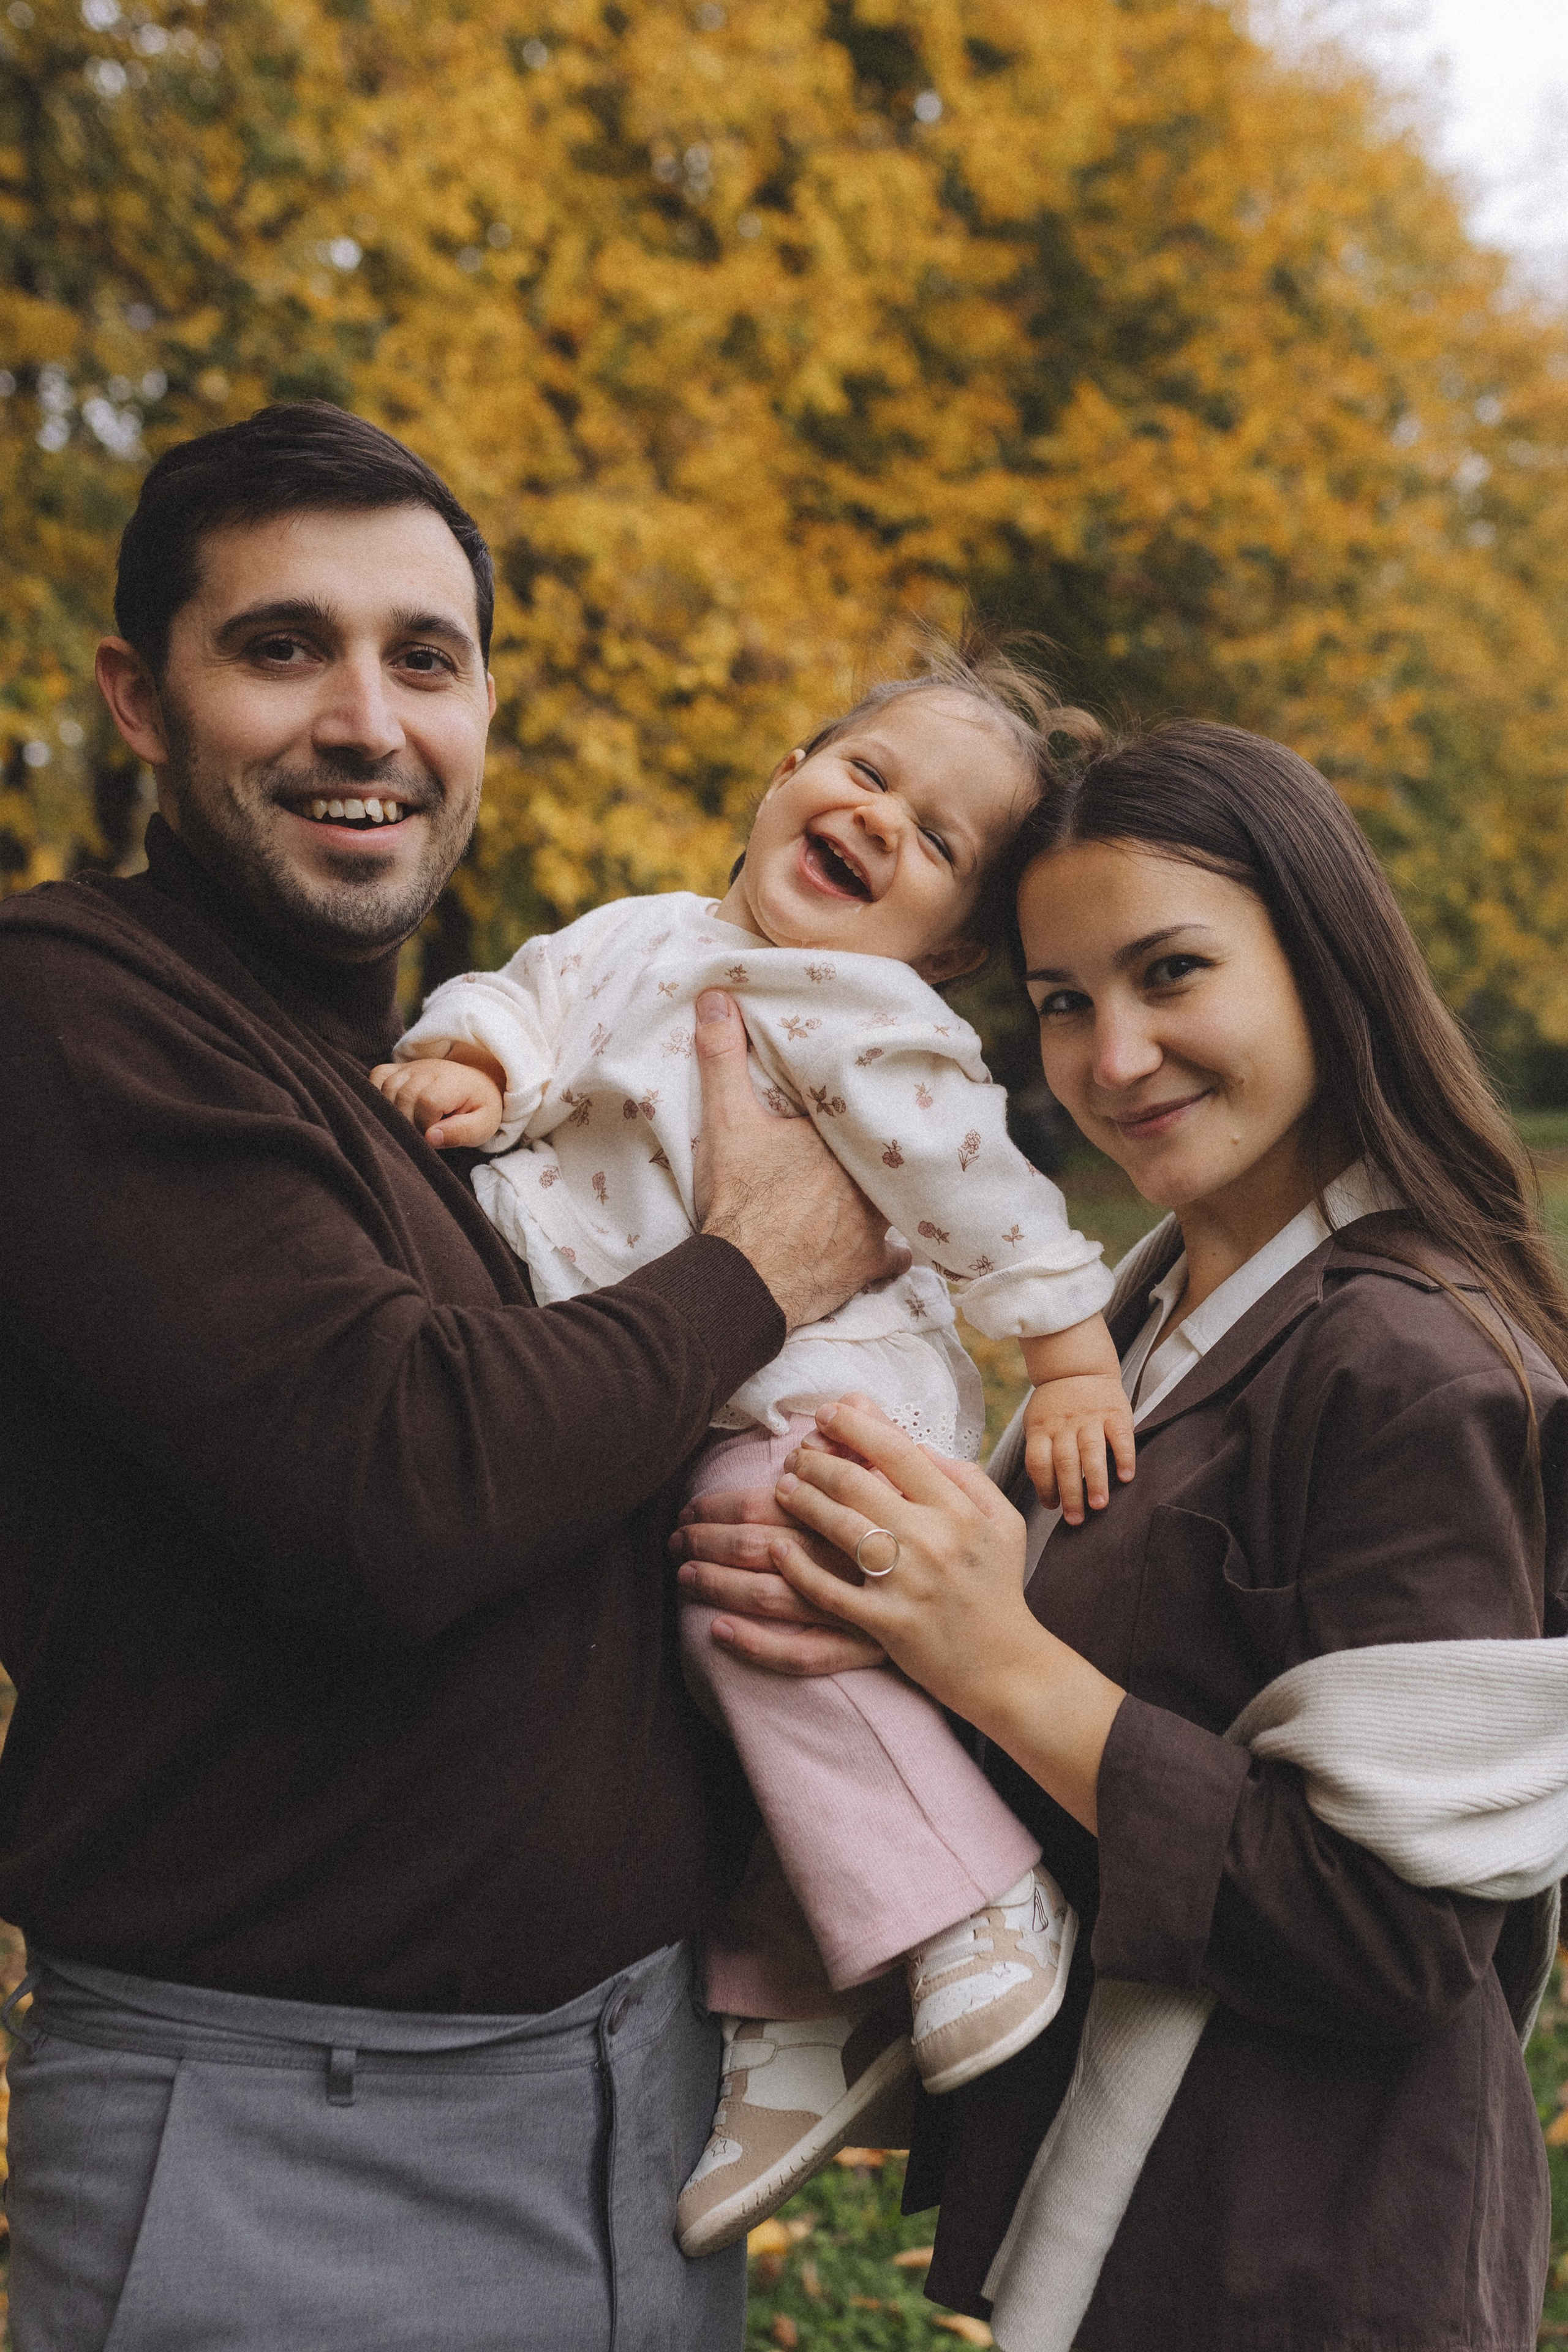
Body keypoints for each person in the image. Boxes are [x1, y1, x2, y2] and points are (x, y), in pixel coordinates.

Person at [0, 401, 908, 2352]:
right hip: (286, 2154)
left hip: (632, 2110)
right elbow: (395, 1486)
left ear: (484, 714)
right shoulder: (73, 1009)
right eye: (279, 647)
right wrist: (755, 1267)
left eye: (426, 660)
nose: (365, 720)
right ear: (135, 700)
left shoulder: (427, 1083)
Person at [676, 720, 1568, 2350]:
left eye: (1172, 974)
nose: (1116, 1056)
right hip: (1150, 2236)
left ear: (1323, 958)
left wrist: (997, 1663)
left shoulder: (1409, 1363)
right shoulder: (1156, 1304)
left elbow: (1401, 1934)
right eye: (1066, 1002)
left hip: (1310, 2264)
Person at [372, 644, 1134, 2251]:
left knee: (749, 1574)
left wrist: (1067, 1360)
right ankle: (800, 1994)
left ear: (957, 946)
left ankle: (971, 1897)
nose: (878, 819)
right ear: (790, 764)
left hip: (821, 1403)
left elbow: (988, 1200)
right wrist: (471, 1061)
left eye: (933, 841)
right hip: (656, 1378)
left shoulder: (873, 1020)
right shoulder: (642, 936)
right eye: (865, 772)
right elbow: (523, 997)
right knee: (674, 1650)